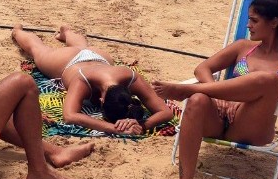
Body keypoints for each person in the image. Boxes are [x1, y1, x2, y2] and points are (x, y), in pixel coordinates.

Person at [152, 0, 278, 179]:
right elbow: (202, 69)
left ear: (274, 22)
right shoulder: (242, 47)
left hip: (251, 125)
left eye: (254, 20)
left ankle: (188, 89)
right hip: (218, 116)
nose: (248, 25)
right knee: (196, 101)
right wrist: (218, 95)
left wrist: (254, 93)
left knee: (270, 80)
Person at [12, 25, 174, 136]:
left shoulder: (130, 76)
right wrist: (113, 128)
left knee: (82, 46)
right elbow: (69, 115)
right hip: (70, 62)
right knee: (37, 50)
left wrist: (143, 125)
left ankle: (67, 33)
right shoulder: (84, 82)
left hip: (99, 57)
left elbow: (166, 112)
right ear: (101, 100)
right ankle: (17, 31)